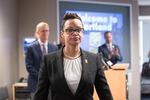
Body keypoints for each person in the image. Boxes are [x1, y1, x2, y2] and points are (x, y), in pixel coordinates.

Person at [34, 13, 113, 100]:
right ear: (62, 34)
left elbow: (105, 94)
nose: (75, 33)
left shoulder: (94, 60)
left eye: (78, 29)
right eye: (70, 30)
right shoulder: (48, 60)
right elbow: (40, 96)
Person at [25, 22, 58, 97]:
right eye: (43, 31)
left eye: (47, 30)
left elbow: (56, 65)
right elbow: (29, 66)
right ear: (38, 33)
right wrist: (42, 77)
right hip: (35, 84)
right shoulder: (31, 48)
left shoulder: (54, 47)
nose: (45, 33)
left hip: (50, 85)